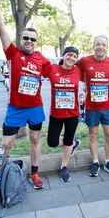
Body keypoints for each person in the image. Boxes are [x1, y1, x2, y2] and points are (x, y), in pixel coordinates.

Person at [0, 0, 51, 189]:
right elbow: (1, 31)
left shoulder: (41, 58)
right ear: (21, 39)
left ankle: (34, 174)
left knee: (35, 138)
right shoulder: (13, 54)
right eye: (26, 38)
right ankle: (1, 173)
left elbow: (57, 73)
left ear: (36, 42)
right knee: (7, 143)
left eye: (33, 39)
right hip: (15, 107)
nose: (29, 41)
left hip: (35, 107)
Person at [77, 35, 109, 177]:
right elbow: (74, 69)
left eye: (104, 45)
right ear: (93, 46)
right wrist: (85, 86)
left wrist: (100, 86)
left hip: (106, 105)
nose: (101, 47)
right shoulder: (84, 61)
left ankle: (108, 162)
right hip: (91, 107)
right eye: (98, 44)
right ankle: (95, 162)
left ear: (107, 47)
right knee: (93, 135)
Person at [43, 46, 82, 182]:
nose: (71, 58)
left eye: (74, 56)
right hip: (56, 114)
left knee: (67, 140)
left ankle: (64, 167)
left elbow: (90, 80)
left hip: (72, 114)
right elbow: (37, 69)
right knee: (52, 142)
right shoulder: (53, 69)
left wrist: (84, 95)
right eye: (69, 55)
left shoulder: (78, 70)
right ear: (63, 56)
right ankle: (73, 144)